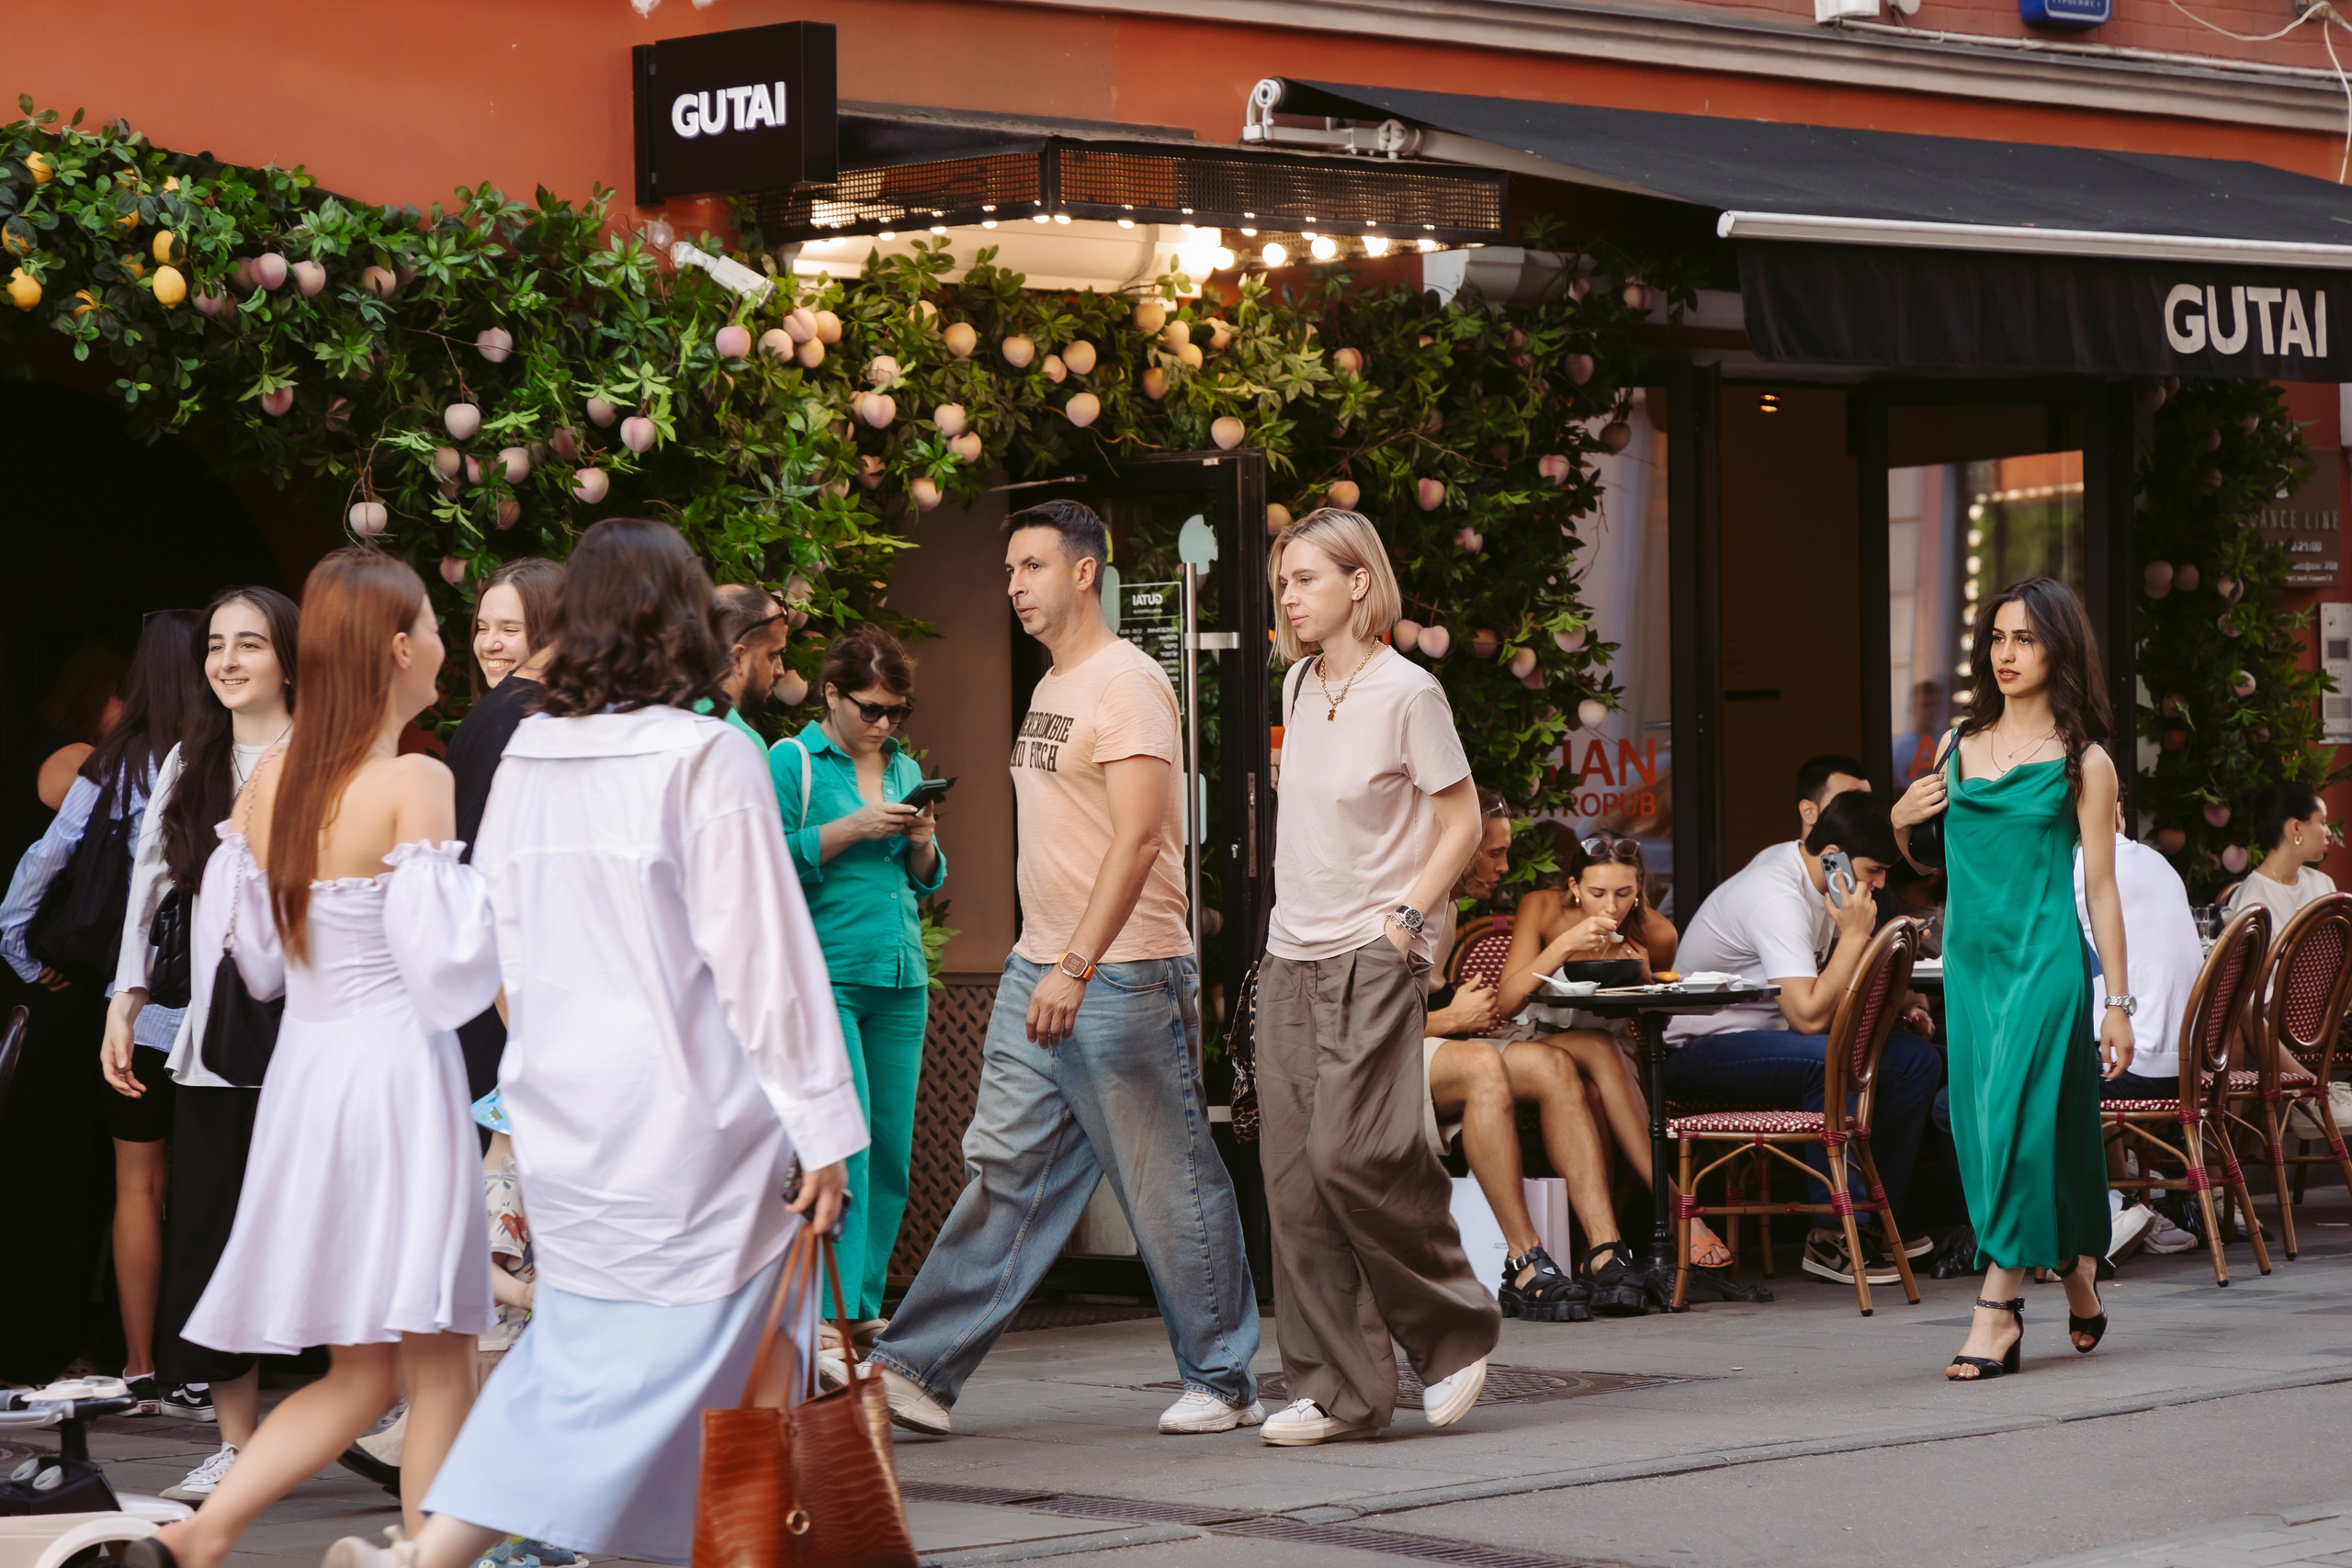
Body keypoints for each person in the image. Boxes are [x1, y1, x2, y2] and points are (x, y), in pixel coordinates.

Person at [335, 518, 857, 1568]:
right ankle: (735, 1546)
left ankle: (436, 1556)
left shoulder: (529, 751)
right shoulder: (706, 754)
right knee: (738, 1353)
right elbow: (762, 959)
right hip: (695, 1112)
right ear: (682, 620)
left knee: (582, 1359)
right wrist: (822, 1122)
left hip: (567, 1106)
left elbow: (500, 942)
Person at [125, 549, 500, 1568]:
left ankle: (200, 1535)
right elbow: (446, 974)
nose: (440, 644)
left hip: (309, 1077)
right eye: (429, 623)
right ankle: (424, 1557)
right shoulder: (414, 778)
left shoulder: (268, 785)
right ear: (394, 648)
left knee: (362, 1370)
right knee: (438, 1360)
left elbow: (255, 966)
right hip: (396, 1078)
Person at [871, 499, 1261, 1439]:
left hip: (1117, 973)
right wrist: (1041, 960)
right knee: (1007, 1170)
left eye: (1031, 567)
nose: (1013, 586)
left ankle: (1222, 1378)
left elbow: (1137, 841)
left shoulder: (1126, 685)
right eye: (1009, 570)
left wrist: (1076, 966)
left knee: (1166, 1178)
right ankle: (917, 1368)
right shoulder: (1054, 687)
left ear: (1083, 572)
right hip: (1037, 967)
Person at [1254, 506, 1496, 1448]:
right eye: (1284, 580)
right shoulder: (1297, 685)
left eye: (1305, 578)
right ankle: (1337, 1391)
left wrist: (1405, 923)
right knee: (1290, 1180)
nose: (1289, 595)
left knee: (1351, 1155)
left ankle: (1451, 1334)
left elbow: (1463, 824)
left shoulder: (1409, 694)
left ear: (1360, 582)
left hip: (1371, 949)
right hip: (1288, 953)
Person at [1894, 576, 2130, 1381]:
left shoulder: (2084, 761)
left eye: (2024, 639)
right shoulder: (1957, 745)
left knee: (2021, 1123)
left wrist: (2118, 1003)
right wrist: (1899, 825)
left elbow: (2100, 887)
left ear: (2058, 647)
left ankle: (1997, 1308)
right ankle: (2075, 1272)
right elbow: (1937, 864)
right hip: (1971, 966)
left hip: (2046, 963)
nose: (2007, 653)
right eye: (1997, 638)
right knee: (1989, 1128)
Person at [103, 586, 299, 1496]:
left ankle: (374, 1412)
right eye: (217, 645)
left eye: (248, 644)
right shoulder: (194, 757)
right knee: (215, 1224)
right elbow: (149, 882)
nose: (225, 660)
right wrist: (126, 998)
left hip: (318, 1033)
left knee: (324, 1219)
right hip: (219, 1040)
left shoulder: (326, 754)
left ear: (289, 657)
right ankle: (236, 1437)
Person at [0, 611, 209, 1405]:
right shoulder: (229, 761)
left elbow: (31, 875)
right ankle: (209, 1358)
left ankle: (137, 1361)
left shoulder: (111, 767)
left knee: (136, 1187)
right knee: (213, 1185)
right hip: (222, 1013)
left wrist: (27, 959)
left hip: (134, 1008)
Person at [1663, 789, 1940, 1289]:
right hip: (1703, 1047)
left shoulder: (1821, 877)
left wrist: (1905, 1003)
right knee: (1827, 1058)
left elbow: (1834, 996)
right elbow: (1811, 1016)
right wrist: (1855, 935)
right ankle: (1833, 1232)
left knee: (1914, 1060)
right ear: (1832, 854)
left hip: (1771, 1041)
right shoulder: (1777, 895)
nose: (1878, 886)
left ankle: (1878, 1219)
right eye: (1874, 870)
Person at [771, 625, 944, 1352]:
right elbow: (764, 860)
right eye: (870, 709)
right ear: (831, 694)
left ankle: (861, 1305)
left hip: (902, 976)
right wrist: (851, 828)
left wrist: (923, 843)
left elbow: (929, 880)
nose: (883, 724)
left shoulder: (903, 766)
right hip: (829, 977)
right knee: (845, 1145)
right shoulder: (792, 761)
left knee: (892, 1153)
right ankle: (828, 1316)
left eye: (897, 712)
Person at [1487, 832, 1738, 1290]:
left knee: (1593, 1093)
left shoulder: (1656, 932)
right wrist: (1565, 944)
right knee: (1599, 1054)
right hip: (1536, 1037)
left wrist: (1642, 976)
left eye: (1624, 894)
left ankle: (1599, 1252)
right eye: (1598, 893)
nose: (1611, 906)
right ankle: (1682, 1213)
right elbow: (1506, 1002)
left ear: (1639, 888)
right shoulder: (1542, 908)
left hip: (1611, 1052)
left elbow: (1655, 1007)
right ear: (1575, 886)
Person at [1422, 792, 1628, 1321]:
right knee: (1483, 1065)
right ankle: (1525, 1260)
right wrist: (1449, 1020)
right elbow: (1353, 1023)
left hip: (1424, 1042)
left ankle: (1605, 1251)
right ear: (1457, 845)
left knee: (1555, 1065)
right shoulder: (1407, 903)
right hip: (1377, 1056)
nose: (1504, 866)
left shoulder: (1445, 906)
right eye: (1493, 853)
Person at [445, 558, 566, 1107]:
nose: (489, 644)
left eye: (509, 630)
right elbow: (485, 876)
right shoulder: (523, 719)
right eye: (483, 628)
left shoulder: (508, 712)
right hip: (506, 989)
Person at [2071, 804, 2203, 1261]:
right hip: (2184, 1066)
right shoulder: (2156, 861)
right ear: (2120, 815)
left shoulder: (2078, 868)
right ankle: (2131, 1206)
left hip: (2132, 1065)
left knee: (2019, 1084)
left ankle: (2108, 1209)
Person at [2225, 781, 2335, 928]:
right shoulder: (2251, 902)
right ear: (2296, 828)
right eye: (2322, 822)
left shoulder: (2323, 884)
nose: (2328, 832)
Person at [707, 581, 789, 751]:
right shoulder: (743, 744)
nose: (780, 670)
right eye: (773, 655)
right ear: (737, 658)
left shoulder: (655, 711)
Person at [1894, 682, 1948, 786]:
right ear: (1913, 708)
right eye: (1926, 705)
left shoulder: (1950, 742)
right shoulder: (1897, 748)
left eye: (1935, 704)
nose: (1932, 710)